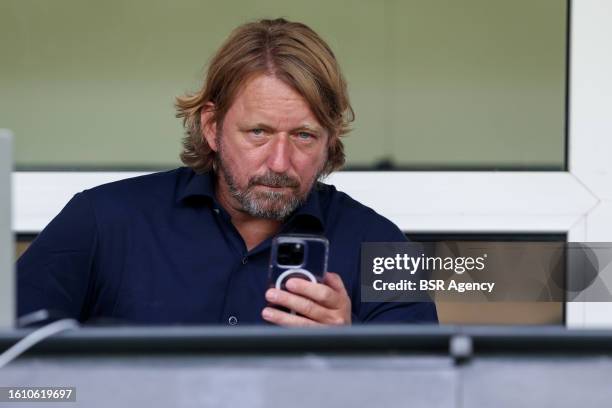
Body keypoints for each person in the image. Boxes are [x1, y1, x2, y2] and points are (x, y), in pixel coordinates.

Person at [17, 18, 437, 326]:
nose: (279, 162)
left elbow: (431, 394)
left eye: (304, 136)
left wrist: (354, 356)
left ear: (330, 140)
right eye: (259, 132)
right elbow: (13, 373)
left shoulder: (384, 247)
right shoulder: (100, 221)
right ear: (212, 127)